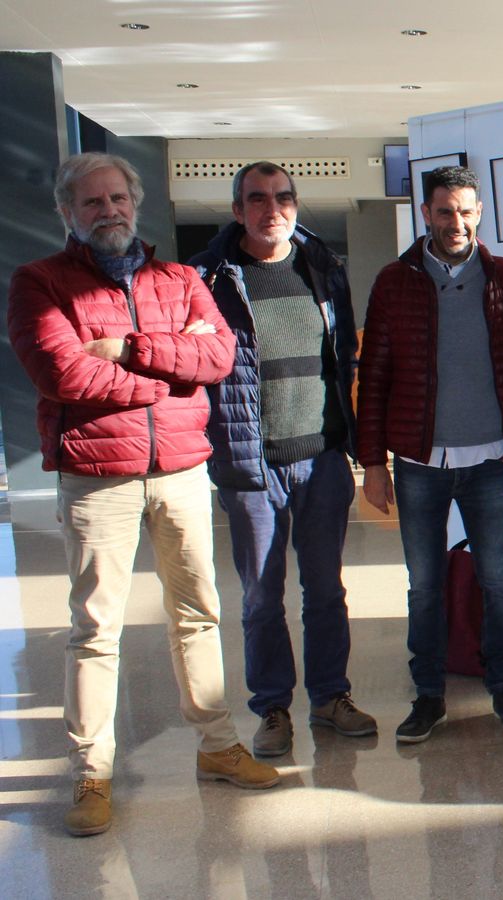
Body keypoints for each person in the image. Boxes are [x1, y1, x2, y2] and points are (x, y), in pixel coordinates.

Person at [8, 152, 279, 837]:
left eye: (118, 199)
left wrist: (126, 350)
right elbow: (61, 374)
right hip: (97, 478)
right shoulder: (40, 282)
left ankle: (218, 746)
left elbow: (218, 358)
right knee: (95, 629)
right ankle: (90, 772)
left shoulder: (180, 276)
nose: (109, 211)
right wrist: (168, 372)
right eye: (93, 203)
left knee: (198, 613)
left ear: (136, 204)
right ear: (69, 213)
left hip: (183, 469)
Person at [190, 161, 375, 758]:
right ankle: (272, 706)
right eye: (258, 199)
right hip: (251, 462)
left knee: (326, 588)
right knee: (260, 596)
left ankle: (330, 697)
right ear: (238, 210)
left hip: (320, 456)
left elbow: (342, 356)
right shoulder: (209, 278)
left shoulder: (322, 267)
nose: (273, 208)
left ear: (296, 205)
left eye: (284, 197)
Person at [357, 165, 503, 743]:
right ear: (426, 214)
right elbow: (375, 375)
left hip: (490, 462)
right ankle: (428, 694)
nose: (455, 222)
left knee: (497, 579)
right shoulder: (394, 282)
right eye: (443, 211)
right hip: (418, 464)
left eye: (465, 211)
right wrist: (373, 464)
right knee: (424, 583)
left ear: (479, 213)